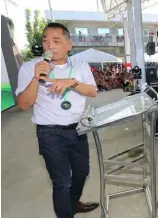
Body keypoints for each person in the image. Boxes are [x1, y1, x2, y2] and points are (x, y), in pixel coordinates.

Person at [15, 23, 99, 218]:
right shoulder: (30, 68)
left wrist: (72, 83)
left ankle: (73, 202)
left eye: (56, 41)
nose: (49, 45)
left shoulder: (80, 65)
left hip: (78, 129)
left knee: (82, 172)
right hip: (49, 133)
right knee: (62, 182)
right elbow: (23, 104)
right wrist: (36, 79)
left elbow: (93, 91)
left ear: (69, 45)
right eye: (45, 40)